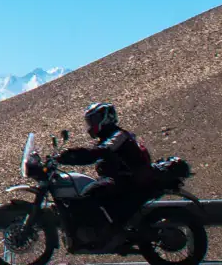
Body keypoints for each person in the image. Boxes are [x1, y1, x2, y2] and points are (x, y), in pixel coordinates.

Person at [57, 102, 154, 240]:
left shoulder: (119, 135)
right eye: (89, 121)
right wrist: (67, 158)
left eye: (94, 120)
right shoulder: (108, 137)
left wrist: (71, 154)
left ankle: (106, 232)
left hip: (127, 180)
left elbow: (102, 151)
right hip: (119, 179)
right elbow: (92, 155)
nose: (91, 125)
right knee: (87, 190)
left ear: (107, 118)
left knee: (90, 193)